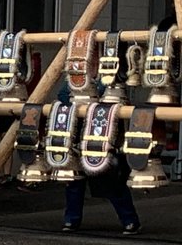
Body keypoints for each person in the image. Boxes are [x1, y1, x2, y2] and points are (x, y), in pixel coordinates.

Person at [57, 81, 141, 236]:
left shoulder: (109, 76)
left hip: (103, 132)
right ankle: (72, 219)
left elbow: (114, 99)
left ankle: (130, 220)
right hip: (78, 131)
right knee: (74, 180)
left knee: (111, 179)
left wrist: (85, 101)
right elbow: (62, 95)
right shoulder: (77, 74)